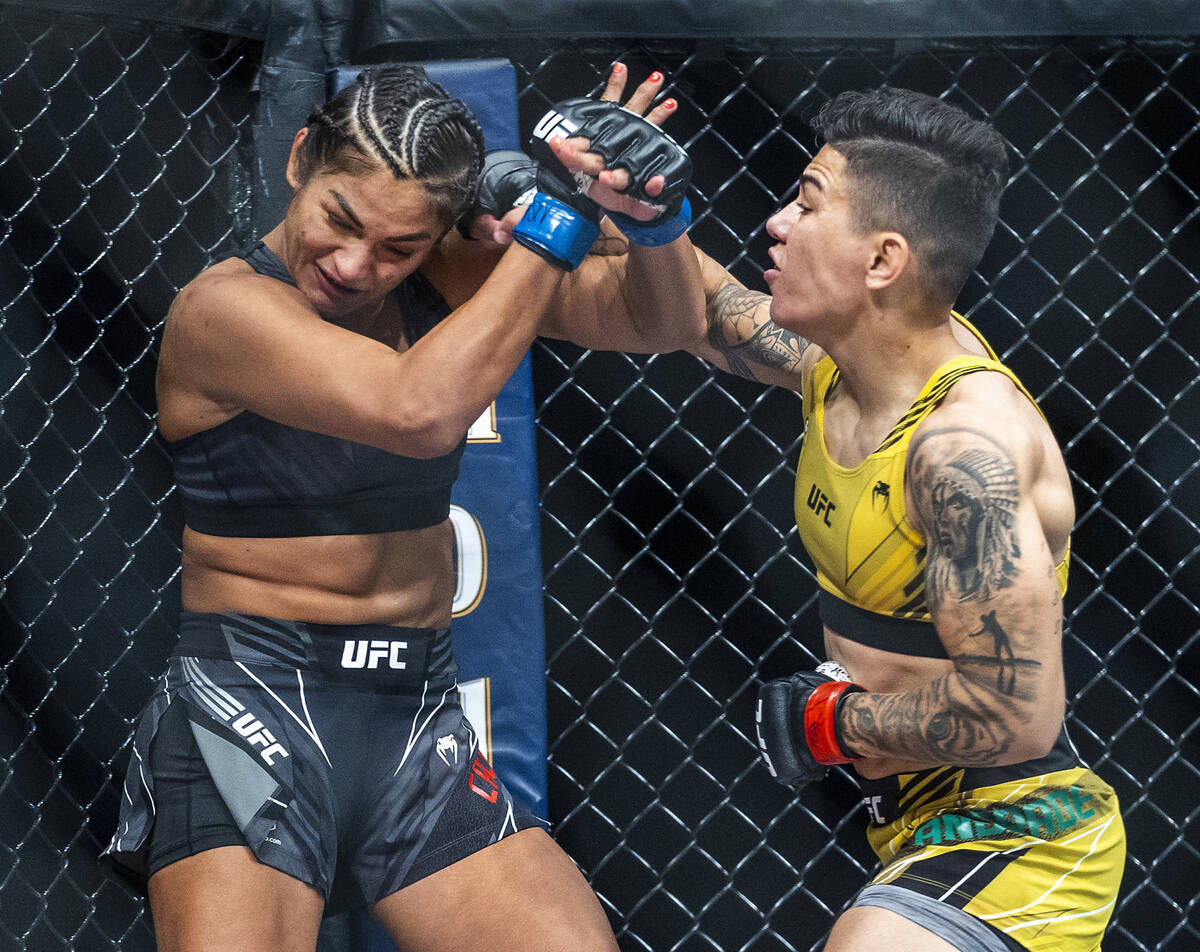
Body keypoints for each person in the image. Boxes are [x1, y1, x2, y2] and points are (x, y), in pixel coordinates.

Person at [100, 62, 703, 952]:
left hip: (413, 715)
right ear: (302, 158)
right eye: (341, 221)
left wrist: (650, 215)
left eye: (397, 249)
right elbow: (415, 411)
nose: (353, 265)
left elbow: (663, 323)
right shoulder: (224, 310)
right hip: (251, 708)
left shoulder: (449, 278)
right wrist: (559, 213)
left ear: (437, 237)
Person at [687, 87, 1126, 952]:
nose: (776, 223)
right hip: (911, 821)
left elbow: (1015, 714)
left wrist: (828, 725)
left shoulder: (964, 450)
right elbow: (699, 310)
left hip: (1023, 830)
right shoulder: (837, 369)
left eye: (807, 204)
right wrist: (635, 209)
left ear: (882, 260)